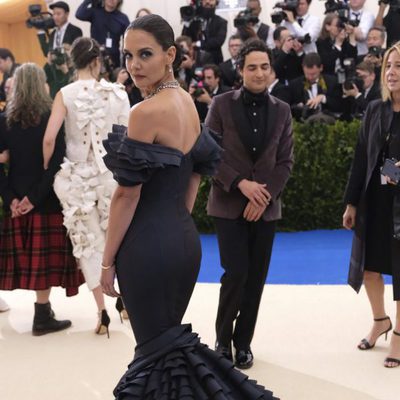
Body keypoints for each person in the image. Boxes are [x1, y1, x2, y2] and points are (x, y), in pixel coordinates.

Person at [100, 14, 278, 399]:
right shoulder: (188, 105)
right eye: (128, 56)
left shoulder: (143, 113)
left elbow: (126, 196)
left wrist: (106, 262)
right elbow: (193, 180)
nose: (134, 65)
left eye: (145, 54)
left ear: (170, 55)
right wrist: (175, 224)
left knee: (154, 357)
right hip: (184, 243)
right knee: (167, 352)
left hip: (147, 249)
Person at [205, 38, 294, 369]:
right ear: (240, 71)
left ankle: (244, 343)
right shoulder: (221, 104)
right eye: (252, 67)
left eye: (265, 67)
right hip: (229, 204)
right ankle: (221, 338)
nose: (259, 73)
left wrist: (264, 194)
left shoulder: (283, 110)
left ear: (271, 71)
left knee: (256, 277)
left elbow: (285, 162)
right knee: (236, 274)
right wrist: (241, 184)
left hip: (265, 208)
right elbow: (208, 153)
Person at [42, 37, 130, 336]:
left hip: (77, 179)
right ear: (97, 62)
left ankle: (102, 313)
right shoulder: (117, 93)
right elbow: (128, 135)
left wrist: (46, 169)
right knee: (118, 239)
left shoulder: (64, 93)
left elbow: (50, 138)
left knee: (88, 244)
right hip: (111, 176)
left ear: (73, 62)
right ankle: (127, 302)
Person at [0, 63, 84, 335]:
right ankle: (42, 315)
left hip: (15, 202)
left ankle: (43, 315)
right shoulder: (51, 117)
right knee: (42, 262)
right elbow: (57, 164)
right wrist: (33, 199)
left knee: (27, 259)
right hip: (45, 199)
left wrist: (11, 198)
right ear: (41, 84)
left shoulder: (4, 120)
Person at [343, 41, 400, 368]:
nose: (392, 72)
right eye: (389, 66)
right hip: (374, 203)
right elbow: (361, 160)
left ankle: (399, 336)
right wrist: (351, 202)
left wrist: (392, 172)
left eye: (399, 66)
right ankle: (380, 320)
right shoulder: (375, 109)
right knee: (369, 269)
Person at [288, 52, 343, 122]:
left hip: (328, 123)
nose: (310, 77)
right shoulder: (295, 84)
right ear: (302, 68)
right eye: (307, 74)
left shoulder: (332, 82)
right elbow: (289, 108)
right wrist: (299, 107)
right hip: (303, 125)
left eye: (314, 74)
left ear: (321, 68)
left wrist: (323, 98)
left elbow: (340, 105)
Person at [76, 0, 130, 68]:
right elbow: (79, 14)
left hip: (113, 60)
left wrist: (125, 65)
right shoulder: (95, 12)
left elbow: (128, 40)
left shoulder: (123, 18)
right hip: (95, 57)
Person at [181, 0, 227, 65]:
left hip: (214, 61)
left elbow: (218, 41)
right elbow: (184, 38)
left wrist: (198, 44)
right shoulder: (194, 21)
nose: (208, 1)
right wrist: (187, 21)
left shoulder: (221, 22)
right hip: (194, 60)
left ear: (216, 2)